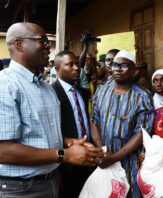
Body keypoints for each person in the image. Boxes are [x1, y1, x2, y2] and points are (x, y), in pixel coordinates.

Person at [0, 22, 102, 198]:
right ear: (19, 44)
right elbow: (4, 150)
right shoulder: (5, 85)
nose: (48, 45)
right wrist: (65, 154)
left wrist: (67, 142)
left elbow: (36, 134)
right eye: (43, 40)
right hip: (21, 188)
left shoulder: (45, 88)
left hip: (50, 181)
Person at [91, 50, 155, 198]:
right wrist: (102, 151)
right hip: (104, 160)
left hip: (129, 162)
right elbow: (95, 121)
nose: (118, 69)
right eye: (115, 65)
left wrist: (115, 157)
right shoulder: (101, 92)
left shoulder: (143, 96)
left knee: (129, 193)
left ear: (134, 70)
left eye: (124, 65)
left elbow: (141, 133)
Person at [52, 50, 92, 198]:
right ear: (57, 69)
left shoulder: (81, 92)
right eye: (70, 64)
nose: (76, 68)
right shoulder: (52, 93)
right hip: (66, 162)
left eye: (77, 64)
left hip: (87, 155)